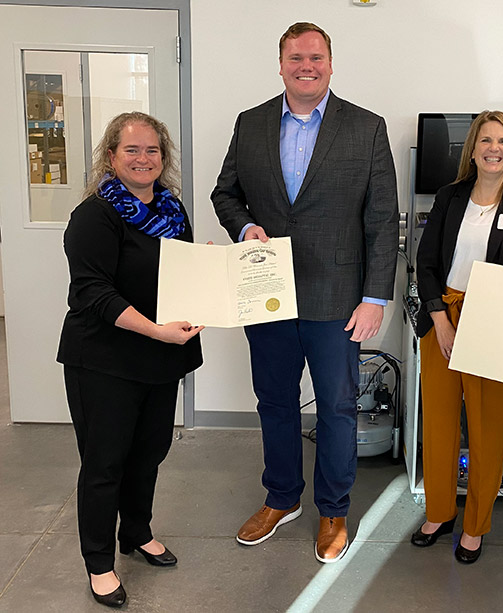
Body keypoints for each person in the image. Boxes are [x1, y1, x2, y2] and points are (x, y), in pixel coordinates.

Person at [211, 22, 398, 564]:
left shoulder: (365, 127)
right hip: (266, 292)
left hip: (338, 296)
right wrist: (246, 228)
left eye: (316, 56)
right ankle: (281, 498)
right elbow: (226, 193)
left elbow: (383, 219)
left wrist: (375, 297)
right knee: (274, 400)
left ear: (331, 64)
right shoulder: (251, 124)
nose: (306, 65)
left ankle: (334, 510)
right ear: (281, 63)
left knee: (337, 407)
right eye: (296, 57)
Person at [57, 112, 203, 607]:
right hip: (104, 359)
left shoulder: (172, 209)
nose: (144, 159)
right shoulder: (95, 215)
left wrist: (207, 268)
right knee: (104, 464)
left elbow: (176, 270)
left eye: (153, 151)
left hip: (158, 359)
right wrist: (155, 329)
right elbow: (93, 293)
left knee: (149, 453)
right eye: (132, 150)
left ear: (164, 157)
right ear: (111, 156)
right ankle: (99, 563)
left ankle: (136, 533)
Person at [412, 111, 503, 564]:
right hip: (443, 317)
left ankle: (475, 525)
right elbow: (426, 260)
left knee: (489, 430)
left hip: (496, 324)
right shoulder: (449, 196)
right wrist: (440, 319)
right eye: (486, 140)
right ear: (472, 149)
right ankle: (439, 512)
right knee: (438, 423)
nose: (494, 149)